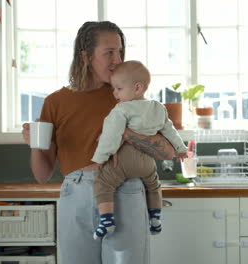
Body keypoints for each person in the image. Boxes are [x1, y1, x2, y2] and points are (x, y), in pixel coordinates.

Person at [21, 21, 175, 264]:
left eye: (120, 51)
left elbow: (168, 151)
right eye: (109, 52)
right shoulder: (56, 102)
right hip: (76, 193)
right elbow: (42, 174)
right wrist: (34, 145)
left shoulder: (129, 98)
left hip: (125, 189)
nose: (118, 59)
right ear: (86, 56)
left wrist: (127, 135)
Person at [91, 60, 188, 240]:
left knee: (103, 182)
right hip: (147, 162)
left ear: (137, 88)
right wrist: (181, 149)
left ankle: (106, 220)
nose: (114, 93)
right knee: (153, 185)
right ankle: (156, 219)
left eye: (118, 89)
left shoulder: (122, 109)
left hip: (125, 160)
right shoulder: (159, 108)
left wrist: (100, 158)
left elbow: (112, 136)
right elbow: (170, 130)